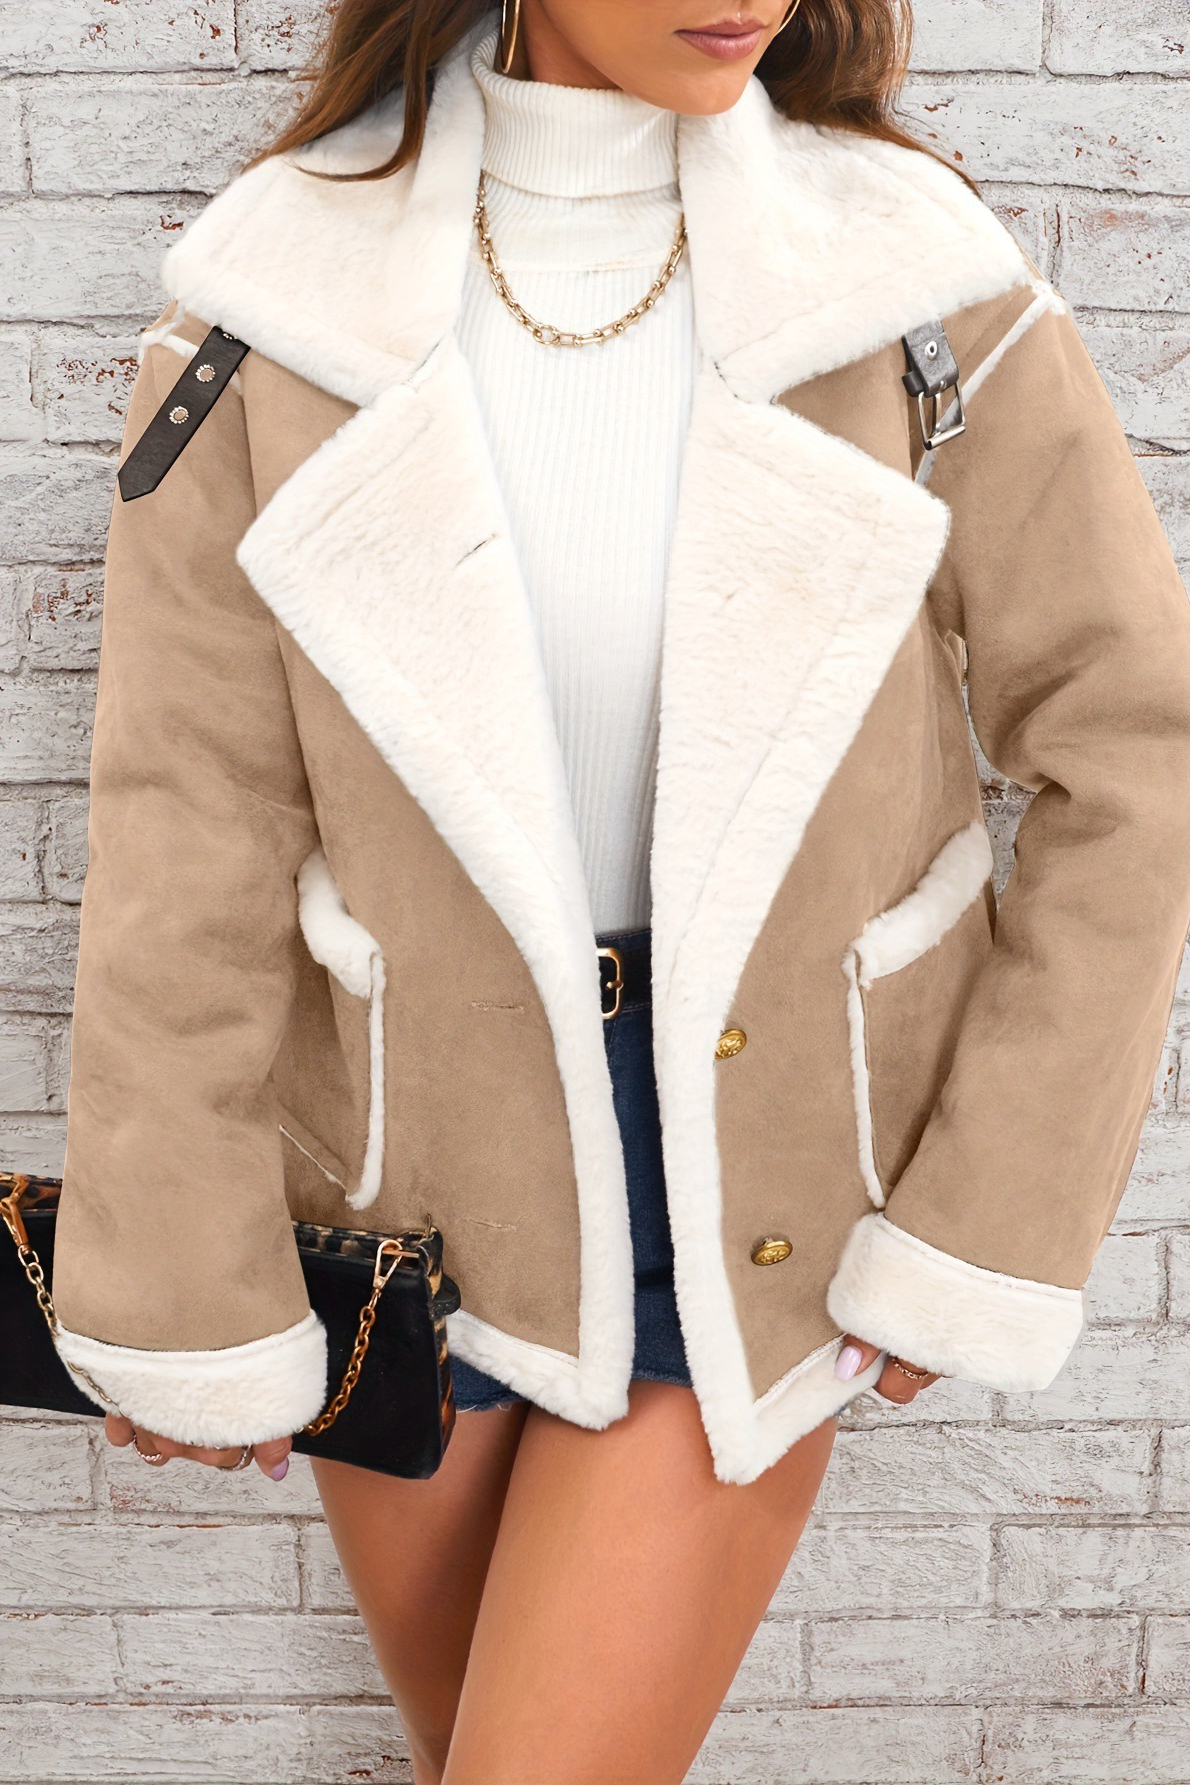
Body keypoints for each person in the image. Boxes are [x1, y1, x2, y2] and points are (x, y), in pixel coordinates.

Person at [49, 2, 1190, 1780]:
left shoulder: (908, 284)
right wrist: (178, 1267)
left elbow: (1133, 750)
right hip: (403, 1179)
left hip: (756, 1168)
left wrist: (992, 1208)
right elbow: (188, 824)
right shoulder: (274, 303)